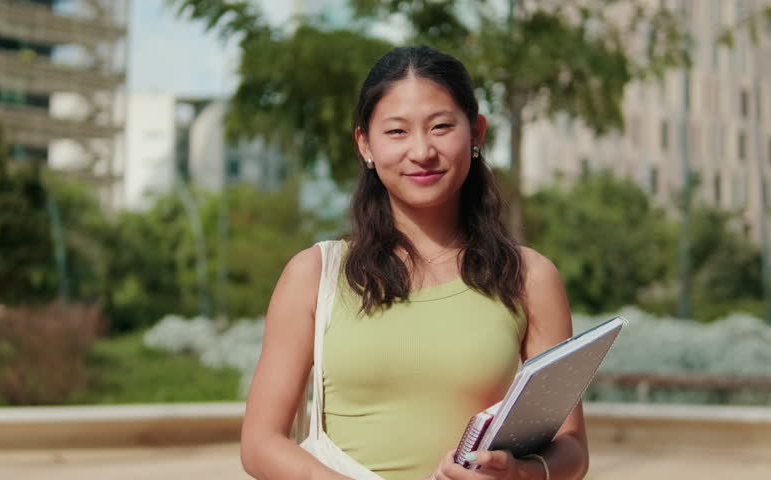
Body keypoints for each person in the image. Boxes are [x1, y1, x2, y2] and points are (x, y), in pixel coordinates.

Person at [241, 45, 589, 480]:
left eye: (442, 127)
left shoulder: (529, 277)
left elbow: (572, 449)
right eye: (397, 132)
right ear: (364, 143)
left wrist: (518, 474)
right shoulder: (313, 274)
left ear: (476, 132)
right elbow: (259, 444)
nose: (422, 151)